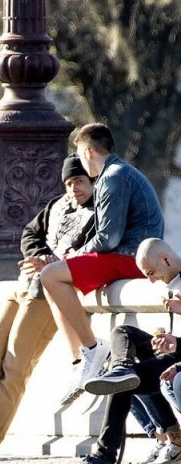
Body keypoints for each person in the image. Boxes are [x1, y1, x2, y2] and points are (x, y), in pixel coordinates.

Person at [0, 154, 96, 458]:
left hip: (49, 297)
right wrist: (39, 254)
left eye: (80, 181)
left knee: (16, 364)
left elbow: (89, 254)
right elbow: (29, 233)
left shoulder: (97, 213)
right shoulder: (56, 206)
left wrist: (51, 262)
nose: (74, 188)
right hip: (22, 286)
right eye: (69, 182)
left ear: (91, 181)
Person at [41, 123, 164, 404]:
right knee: (52, 277)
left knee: (51, 275)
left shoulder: (113, 177)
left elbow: (109, 238)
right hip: (130, 255)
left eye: (80, 156)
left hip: (131, 258)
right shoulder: (120, 172)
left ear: (88, 151)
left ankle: (91, 349)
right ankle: (80, 360)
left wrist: (75, 255)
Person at [79, 238, 181, 464]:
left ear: (166, 258)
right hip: (174, 353)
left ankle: (105, 455)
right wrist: (168, 340)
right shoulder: (172, 284)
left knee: (124, 383)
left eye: (152, 272)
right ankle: (121, 367)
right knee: (122, 333)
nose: (152, 280)